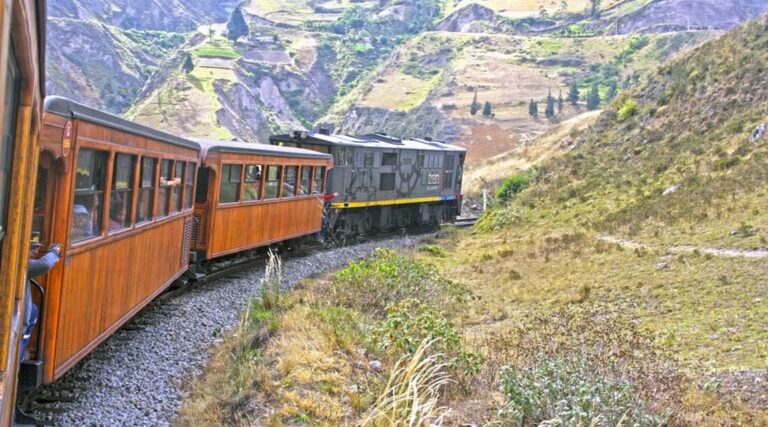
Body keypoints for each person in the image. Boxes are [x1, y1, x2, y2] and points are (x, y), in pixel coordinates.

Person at [21, 241, 61, 363]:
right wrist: (54, 252)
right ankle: (19, 359)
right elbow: (45, 264)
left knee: (33, 310)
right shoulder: (21, 264)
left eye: (37, 249)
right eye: (31, 248)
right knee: (24, 326)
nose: (35, 252)